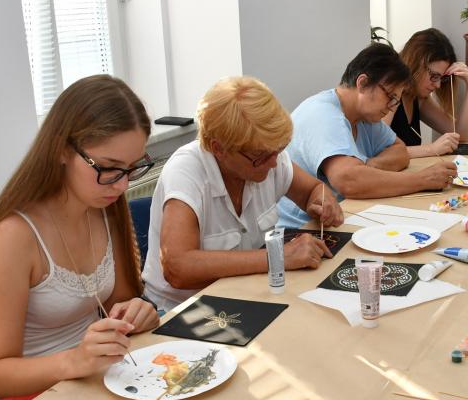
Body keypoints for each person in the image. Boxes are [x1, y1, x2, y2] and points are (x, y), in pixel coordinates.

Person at [0, 75, 160, 400]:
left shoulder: (104, 207)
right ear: (61, 150)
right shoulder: (12, 237)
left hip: (98, 380)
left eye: (132, 168)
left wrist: (137, 313)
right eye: (109, 168)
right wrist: (75, 360)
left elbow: (119, 304)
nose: (122, 185)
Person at [142, 76, 344, 314]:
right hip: (181, 311)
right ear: (219, 149)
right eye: (260, 157)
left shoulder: (267, 155)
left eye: (278, 150)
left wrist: (323, 201)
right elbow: (178, 268)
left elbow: (313, 190)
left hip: (243, 295)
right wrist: (277, 257)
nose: (273, 163)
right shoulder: (186, 172)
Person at [277, 43, 458, 228]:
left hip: (343, 217)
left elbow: (400, 151)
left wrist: (368, 167)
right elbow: (349, 181)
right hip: (302, 231)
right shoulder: (323, 114)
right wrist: (422, 180)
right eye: (390, 97)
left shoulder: (364, 118)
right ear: (362, 83)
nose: (392, 107)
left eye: (396, 100)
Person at [389, 28, 468, 158]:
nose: (438, 85)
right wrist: (431, 148)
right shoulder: (390, 93)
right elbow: (378, 153)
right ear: (416, 63)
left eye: (442, 78)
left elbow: (461, 136)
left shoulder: (418, 98)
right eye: (434, 76)